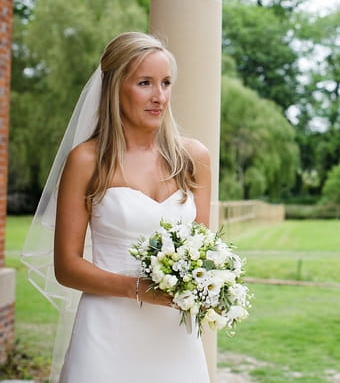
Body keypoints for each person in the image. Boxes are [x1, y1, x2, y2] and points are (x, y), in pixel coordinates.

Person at [26, 32, 212, 382]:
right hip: (105, 332)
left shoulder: (193, 158)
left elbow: (204, 254)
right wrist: (139, 289)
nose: (160, 97)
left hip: (175, 338)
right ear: (115, 87)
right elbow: (66, 267)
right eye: (145, 83)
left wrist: (214, 286)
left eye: (166, 83)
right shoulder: (87, 160)